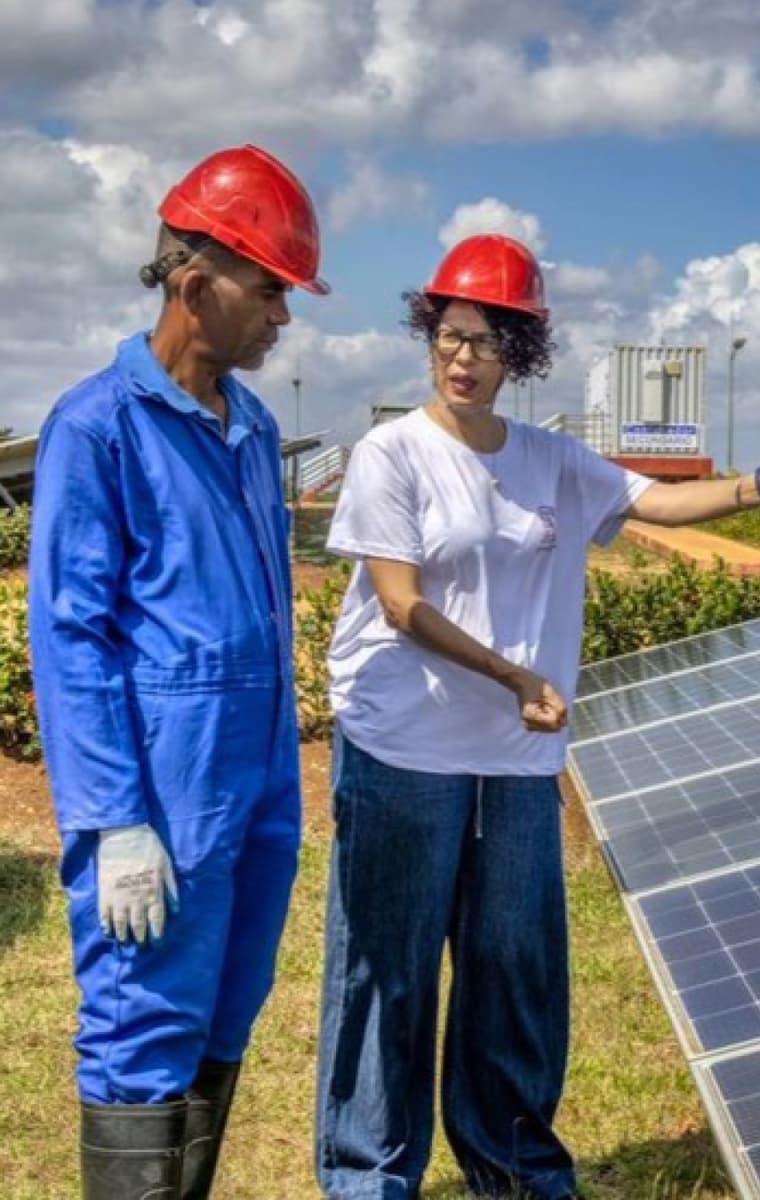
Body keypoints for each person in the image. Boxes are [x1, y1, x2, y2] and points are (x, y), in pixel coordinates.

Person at [314, 232, 760, 1199]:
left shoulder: (552, 460)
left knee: (513, 968)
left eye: (487, 342)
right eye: (449, 336)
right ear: (430, 339)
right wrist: (513, 676)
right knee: (388, 973)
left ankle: (516, 1169)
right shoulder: (394, 454)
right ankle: (368, 1176)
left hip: (515, 762)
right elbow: (398, 602)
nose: (463, 358)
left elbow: (663, 503)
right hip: (405, 748)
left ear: (519, 355)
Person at [28, 144, 329, 1199]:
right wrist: (114, 819)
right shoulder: (98, 428)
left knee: (225, 1008)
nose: (283, 316)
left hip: (258, 785)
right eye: (270, 289)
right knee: (143, 1022)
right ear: (195, 286)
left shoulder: (251, 428)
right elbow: (72, 639)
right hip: (163, 791)